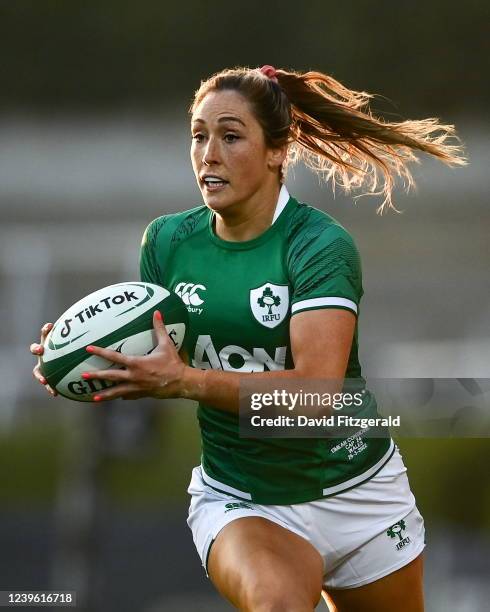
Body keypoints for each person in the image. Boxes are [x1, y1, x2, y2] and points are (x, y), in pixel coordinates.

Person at [31, 65, 465, 611]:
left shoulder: (318, 246)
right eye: (198, 135)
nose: (208, 153)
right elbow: (161, 363)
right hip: (245, 500)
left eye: (230, 136)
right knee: (276, 603)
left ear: (277, 152)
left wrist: (185, 381)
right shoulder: (167, 242)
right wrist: (86, 356)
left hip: (359, 489)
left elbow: (314, 398)